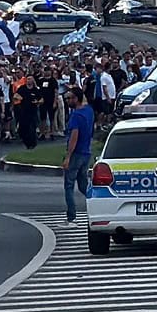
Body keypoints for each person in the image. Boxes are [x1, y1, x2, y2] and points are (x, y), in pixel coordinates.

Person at [62, 87, 95, 225]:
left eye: (70, 98)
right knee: (83, 185)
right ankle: (94, 205)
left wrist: (68, 156)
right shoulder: (89, 111)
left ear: (76, 98)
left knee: (69, 185)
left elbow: (74, 136)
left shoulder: (76, 116)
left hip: (76, 153)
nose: (67, 101)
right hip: (86, 152)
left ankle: (71, 216)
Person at [14, 76, 42, 149]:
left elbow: (41, 99)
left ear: (33, 80)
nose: (28, 80)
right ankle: (26, 142)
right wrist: (21, 98)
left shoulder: (35, 90)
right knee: (23, 128)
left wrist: (37, 102)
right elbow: (15, 95)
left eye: (30, 79)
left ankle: (32, 144)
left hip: (33, 111)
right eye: (28, 79)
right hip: (23, 111)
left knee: (32, 128)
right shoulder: (22, 88)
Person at [39, 68, 59, 140]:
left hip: (51, 101)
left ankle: (52, 133)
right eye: (45, 70)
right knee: (43, 118)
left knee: (52, 118)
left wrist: (55, 101)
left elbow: (56, 91)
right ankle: (42, 133)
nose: (47, 72)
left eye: (48, 70)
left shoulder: (53, 80)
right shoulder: (41, 80)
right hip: (43, 101)